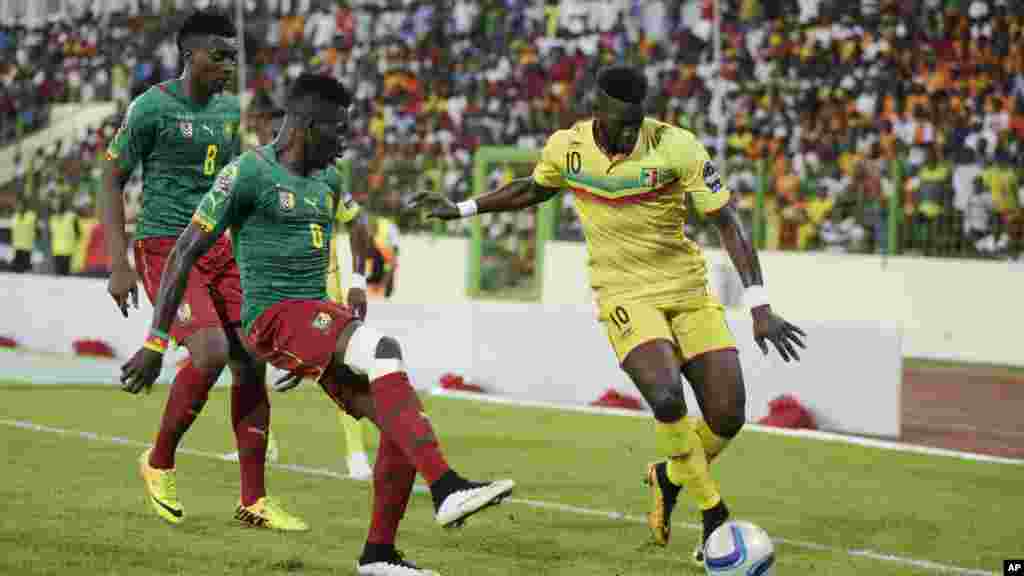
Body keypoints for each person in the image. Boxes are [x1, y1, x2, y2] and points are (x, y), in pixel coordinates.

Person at [120, 73, 515, 576]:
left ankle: (378, 555)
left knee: (399, 419)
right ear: (306, 125)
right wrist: (156, 341)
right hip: (271, 318)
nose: (346, 141)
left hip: (313, 320)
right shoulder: (246, 173)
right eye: (339, 130)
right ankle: (446, 487)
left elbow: (357, 229)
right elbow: (181, 254)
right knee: (385, 349)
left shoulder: (329, 179)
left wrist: (349, 287)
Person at [410, 65, 806, 564]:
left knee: (728, 415)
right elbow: (533, 188)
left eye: (636, 122)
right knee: (666, 396)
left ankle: (669, 474)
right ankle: (713, 516)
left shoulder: (676, 146)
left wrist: (760, 306)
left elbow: (726, 220)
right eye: (620, 122)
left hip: (687, 290)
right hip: (623, 294)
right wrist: (462, 208)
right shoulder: (568, 148)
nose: (628, 133)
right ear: (598, 111)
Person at [102, 10, 306, 530]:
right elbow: (110, 180)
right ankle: (159, 461)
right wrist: (118, 263)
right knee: (211, 350)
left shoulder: (227, 112)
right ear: (188, 54)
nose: (227, 66)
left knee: (252, 356)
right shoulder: (151, 108)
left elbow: (235, 184)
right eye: (218, 55)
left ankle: (254, 500)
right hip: (165, 246)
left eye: (232, 58)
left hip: (219, 247)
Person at [10, 195, 38, 273]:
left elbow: (36, 231)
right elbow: (12, 232)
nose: (18, 206)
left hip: (27, 249)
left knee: (26, 273)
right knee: (17, 273)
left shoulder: (32, 216)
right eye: (17, 204)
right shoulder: (14, 216)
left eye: (20, 204)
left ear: (25, 205)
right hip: (17, 248)